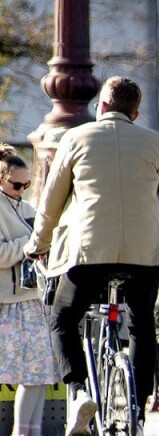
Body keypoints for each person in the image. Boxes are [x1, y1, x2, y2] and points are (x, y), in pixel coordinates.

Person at [24, 76, 159, 434]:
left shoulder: (75, 138)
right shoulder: (154, 143)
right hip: (144, 254)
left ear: (101, 106)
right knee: (142, 325)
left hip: (89, 251)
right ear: (135, 114)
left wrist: (38, 245)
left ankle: (78, 393)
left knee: (62, 318)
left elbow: (51, 203)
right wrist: (157, 232)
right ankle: (138, 409)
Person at [0, 146, 58, 436]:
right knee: (30, 372)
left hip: (31, 297)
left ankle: (29, 431)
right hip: (10, 301)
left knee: (40, 373)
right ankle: (23, 432)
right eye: (16, 184)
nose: (21, 190)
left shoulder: (24, 207)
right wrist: (29, 244)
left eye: (26, 185)